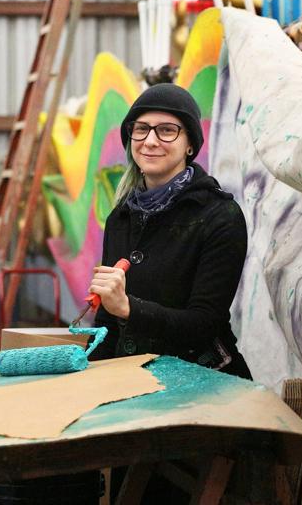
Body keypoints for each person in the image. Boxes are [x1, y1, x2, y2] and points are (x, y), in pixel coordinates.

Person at [87, 82, 251, 379]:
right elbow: (106, 321)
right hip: (132, 379)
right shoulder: (120, 218)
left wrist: (128, 308)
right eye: (141, 129)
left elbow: (203, 325)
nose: (150, 141)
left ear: (189, 144)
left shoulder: (219, 216)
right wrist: (85, 376)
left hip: (205, 382)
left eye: (166, 130)